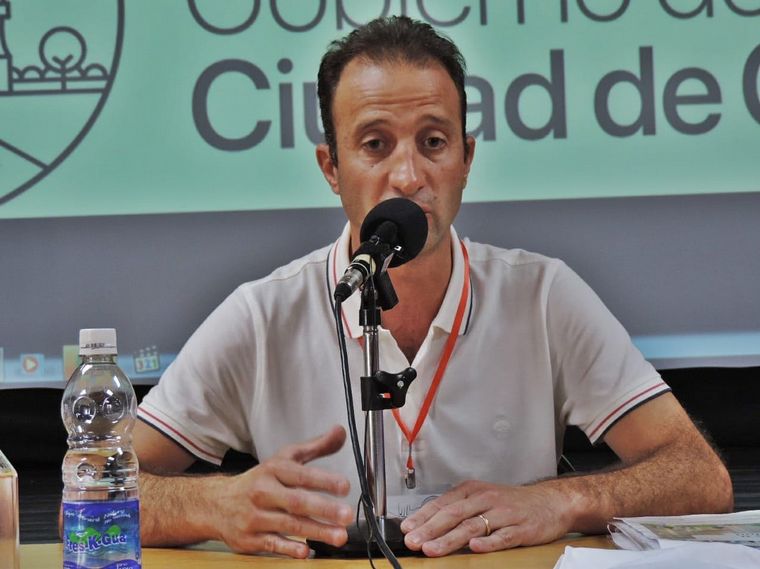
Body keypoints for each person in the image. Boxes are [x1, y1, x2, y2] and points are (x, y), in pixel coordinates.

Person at [133, 16, 733, 559]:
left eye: (434, 142)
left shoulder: (544, 296)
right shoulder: (262, 315)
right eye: (375, 145)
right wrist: (212, 504)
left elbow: (701, 477)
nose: (408, 175)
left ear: (466, 159)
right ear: (331, 168)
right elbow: (94, 490)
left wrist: (563, 500)